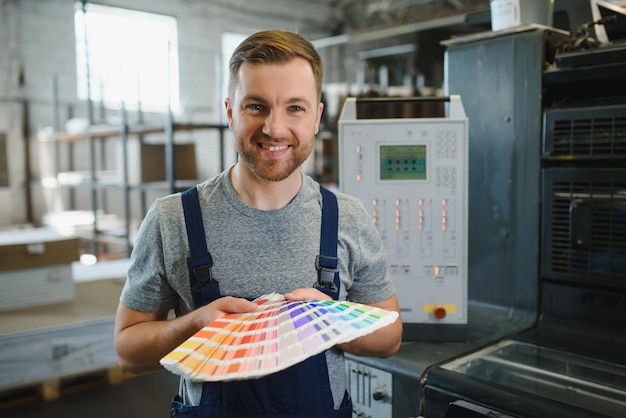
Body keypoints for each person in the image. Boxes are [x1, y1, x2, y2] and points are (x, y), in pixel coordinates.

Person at [114, 29, 402, 418]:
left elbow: (390, 336)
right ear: (230, 111)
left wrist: (333, 320)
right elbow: (128, 351)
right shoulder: (173, 219)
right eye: (256, 106)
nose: (275, 128)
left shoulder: (347, 218)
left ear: (317, 117)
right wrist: (193, 324)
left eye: (295, 108)